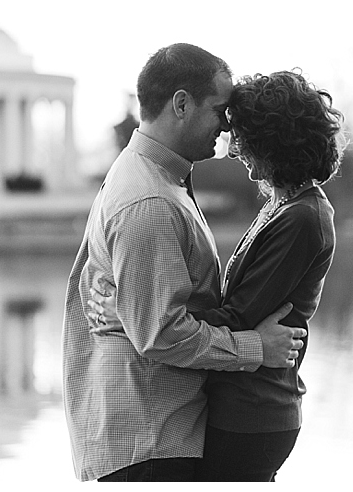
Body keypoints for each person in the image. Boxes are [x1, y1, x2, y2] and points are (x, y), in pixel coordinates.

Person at [61, 44, 308, 482]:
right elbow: (160, 334)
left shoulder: (151, 175)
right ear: (181, 104)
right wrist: (258, 348)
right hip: (150, 441)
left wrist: (127, 311)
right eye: (221, 110)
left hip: (154, 432)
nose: (229, 128)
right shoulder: (149, 200)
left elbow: (130, 305)